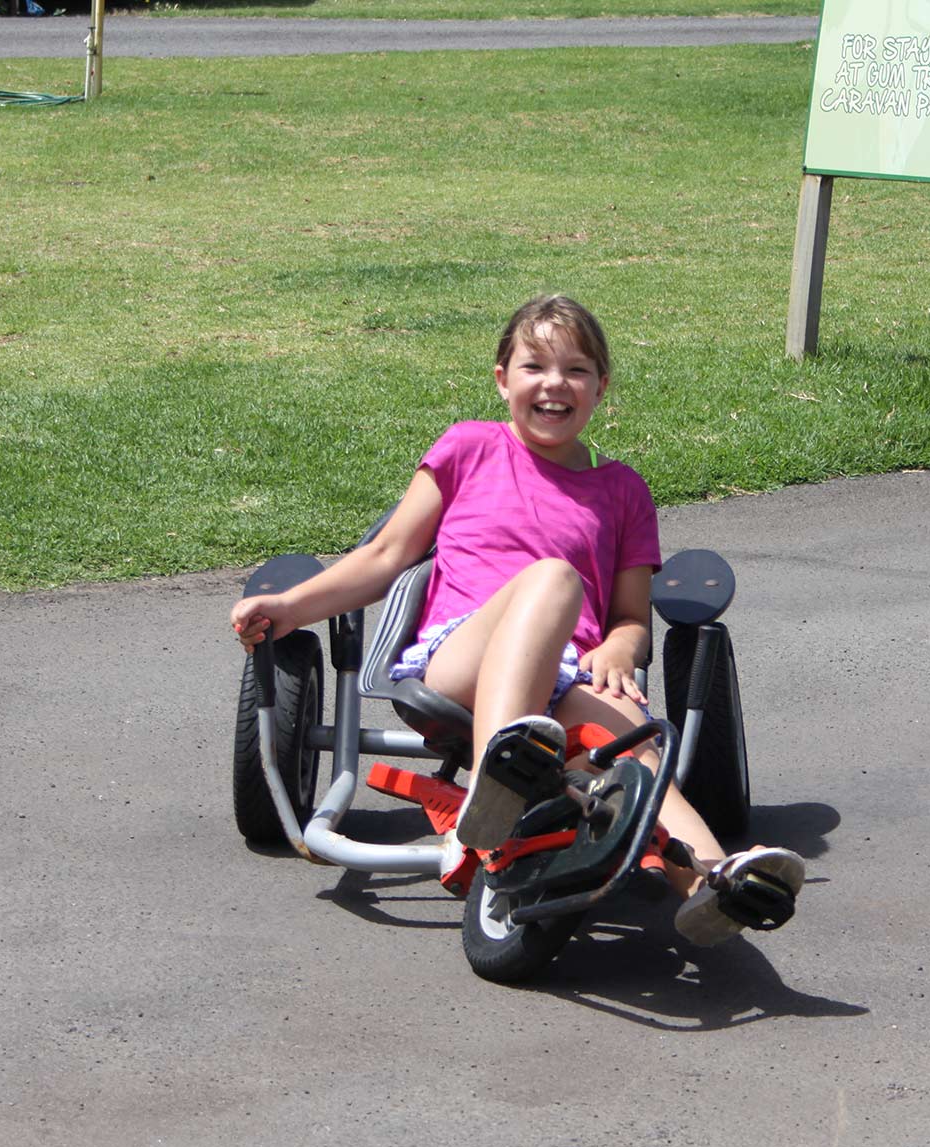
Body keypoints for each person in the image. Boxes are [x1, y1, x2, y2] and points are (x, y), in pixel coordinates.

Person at [230, 295, 804, 946]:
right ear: (503, 379)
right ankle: (493, 779)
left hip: (564, 677)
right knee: (554, 578)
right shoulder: (469, 447)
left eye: (577, 370)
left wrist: (621, 647)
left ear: (601, 388)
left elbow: (628, 617)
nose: (555, 383)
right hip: (463, 657)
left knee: (639, 755)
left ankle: (712, 886)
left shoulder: (622, 491)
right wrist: (288, 607)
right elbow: (386, 555)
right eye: (534, 366)